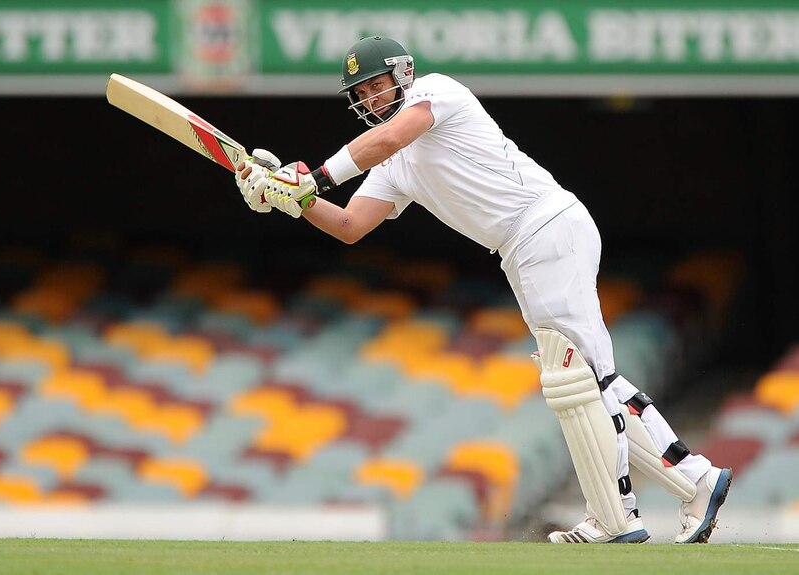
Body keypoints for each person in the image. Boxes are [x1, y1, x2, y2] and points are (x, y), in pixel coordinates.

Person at [235, 36, 731, 544]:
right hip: (523, 247)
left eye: (376, 85)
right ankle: (687, 483)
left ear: (403, 74)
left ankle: (623, 512)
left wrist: (313, 177)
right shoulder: (392, 165)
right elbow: (349, 225)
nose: (370, 99)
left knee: (582, 380)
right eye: (360, 93)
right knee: (583, 380)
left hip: (545, 226)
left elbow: (386, 139)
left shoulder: (435, 92)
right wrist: (289, 199)